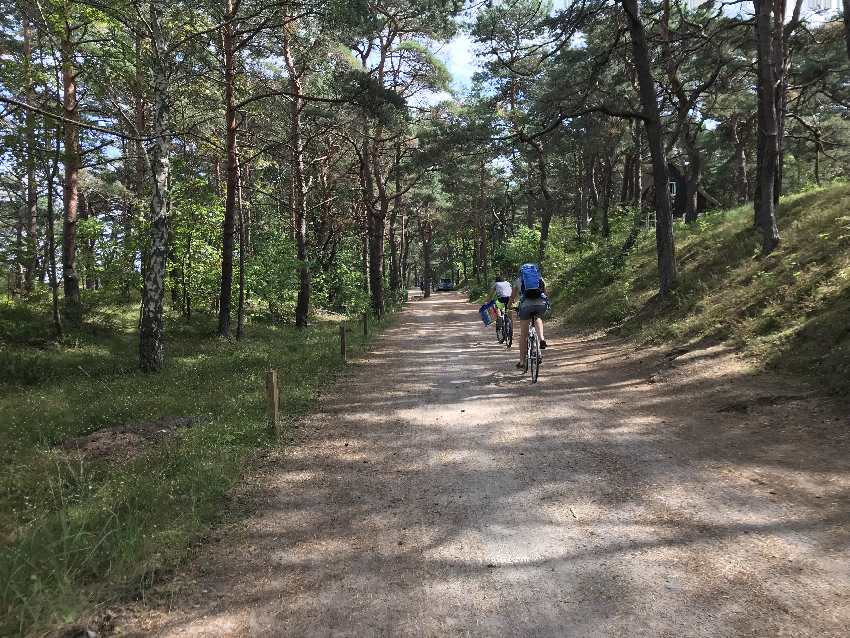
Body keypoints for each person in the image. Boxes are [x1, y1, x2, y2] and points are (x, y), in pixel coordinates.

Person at [508, 263, 549, 369]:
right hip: (541, 305)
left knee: (523, 335)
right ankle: (541, 338)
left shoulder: (518, 280)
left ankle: (521, 361)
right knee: (537, 318)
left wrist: (509, 306)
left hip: (526, 306)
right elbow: (545, 294)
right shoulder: (540, 278)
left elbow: (512, 297)